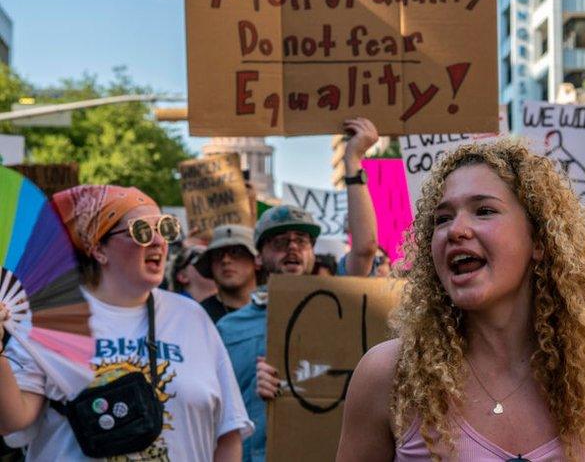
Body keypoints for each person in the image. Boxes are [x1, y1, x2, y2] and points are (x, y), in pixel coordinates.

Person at [336, 139, 585, 460]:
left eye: (483, 211)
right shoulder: (390, 376)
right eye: (442, 218)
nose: (456, 230)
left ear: (539, 241)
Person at [0, 185, 251, 461]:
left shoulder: (192, 318)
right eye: (142, 231)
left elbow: (227, 434)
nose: (159, 242)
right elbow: (12, 420)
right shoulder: (48, 319)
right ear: (99, 249)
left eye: (165, 229)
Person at [220, 117, 380, 462]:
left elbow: (366, 248)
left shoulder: (338, 302)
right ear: (260, 257)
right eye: (280, 242)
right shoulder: (227, 330)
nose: (292, 248)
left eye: (302, 241)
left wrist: (353, 161)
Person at [195, 224, 260, 323]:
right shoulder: (199, 316)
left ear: (256, 261)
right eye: (217, 254)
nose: (225, 260)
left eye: (236, 252)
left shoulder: (274, 308)